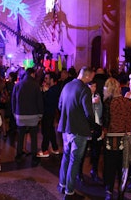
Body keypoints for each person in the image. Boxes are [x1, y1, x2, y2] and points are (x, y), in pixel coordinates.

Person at [57, 66, 95, 200]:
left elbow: (60, 105)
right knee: (75, 161)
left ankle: (62, 184)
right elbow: (88, 113)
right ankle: (69, 192)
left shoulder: (67, 85)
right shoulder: (85, 89)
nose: (92, 80)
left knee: (66, 157)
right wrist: (93, 126)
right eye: (92, 77)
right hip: (79, 130)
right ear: (87, 76)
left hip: (65, 128)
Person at [102, 78, 131, 200]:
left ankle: (109, 191)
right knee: (123, 166)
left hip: (111, 138)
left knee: (110, 166)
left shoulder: (108, 103)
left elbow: (105, 122)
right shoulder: (128, 102)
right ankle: (121, 192)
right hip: (125, 137)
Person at [12, 68, 44, 167]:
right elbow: (39, 100)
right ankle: (34, 157)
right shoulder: (35, 85)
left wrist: (14, 112)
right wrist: (40, 114)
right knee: (34, 137)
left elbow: (13, 100)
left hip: (20, 114)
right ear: (33, 74)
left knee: (21, 136)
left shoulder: (17, 84)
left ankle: (18, 155)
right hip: (33, 115)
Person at [37, 71, 61, 157]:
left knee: (46, 131)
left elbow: (47, 101)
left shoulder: (53, 89)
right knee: (50, 131)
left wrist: (44, 92)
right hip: (49, 113)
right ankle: (55, 148)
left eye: (47, 78)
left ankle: (44, 150)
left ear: (52, 79)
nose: (45, 80)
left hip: (48, 113)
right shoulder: (52, 89)